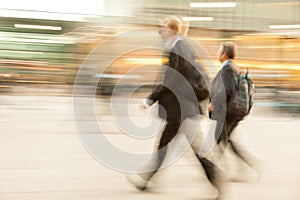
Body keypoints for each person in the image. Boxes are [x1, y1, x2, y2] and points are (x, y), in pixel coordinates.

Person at [125, 16, 226, 199]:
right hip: (181, 110)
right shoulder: (181, 48)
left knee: (193, 150)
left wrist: (150, 100)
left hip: (183, 110)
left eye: (164, 28)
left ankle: (218, 181)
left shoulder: (178, 49)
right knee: (163, 144)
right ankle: (146, 180)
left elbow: (171, 80)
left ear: (172, 30)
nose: (162, 31)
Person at [209, 42, 263, 181]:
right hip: (233, 111)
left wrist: (214, 103)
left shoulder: (228, 68)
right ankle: (247, 165)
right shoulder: (232, 67)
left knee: (221, 138)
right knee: (224, 138)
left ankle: (214, 170)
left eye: (219, 50)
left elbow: (227, 88)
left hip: (229, 111)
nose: (217, 53)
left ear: (224, 54)